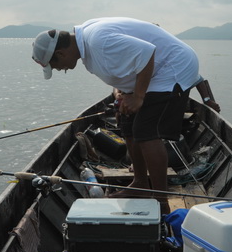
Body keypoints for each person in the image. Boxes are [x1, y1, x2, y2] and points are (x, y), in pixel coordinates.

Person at [31, 17, 219, 214]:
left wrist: (138, 97)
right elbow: (126, 64)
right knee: (127, 121)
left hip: (173, 69)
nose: (60, 70)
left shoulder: (98, 42)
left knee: (145, 132)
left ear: (60, 53)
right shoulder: (86, 39)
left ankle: (160, 201)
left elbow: (147, 52)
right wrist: (121, 92)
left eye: (55, 66)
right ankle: (140, 185)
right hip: (155, 72)